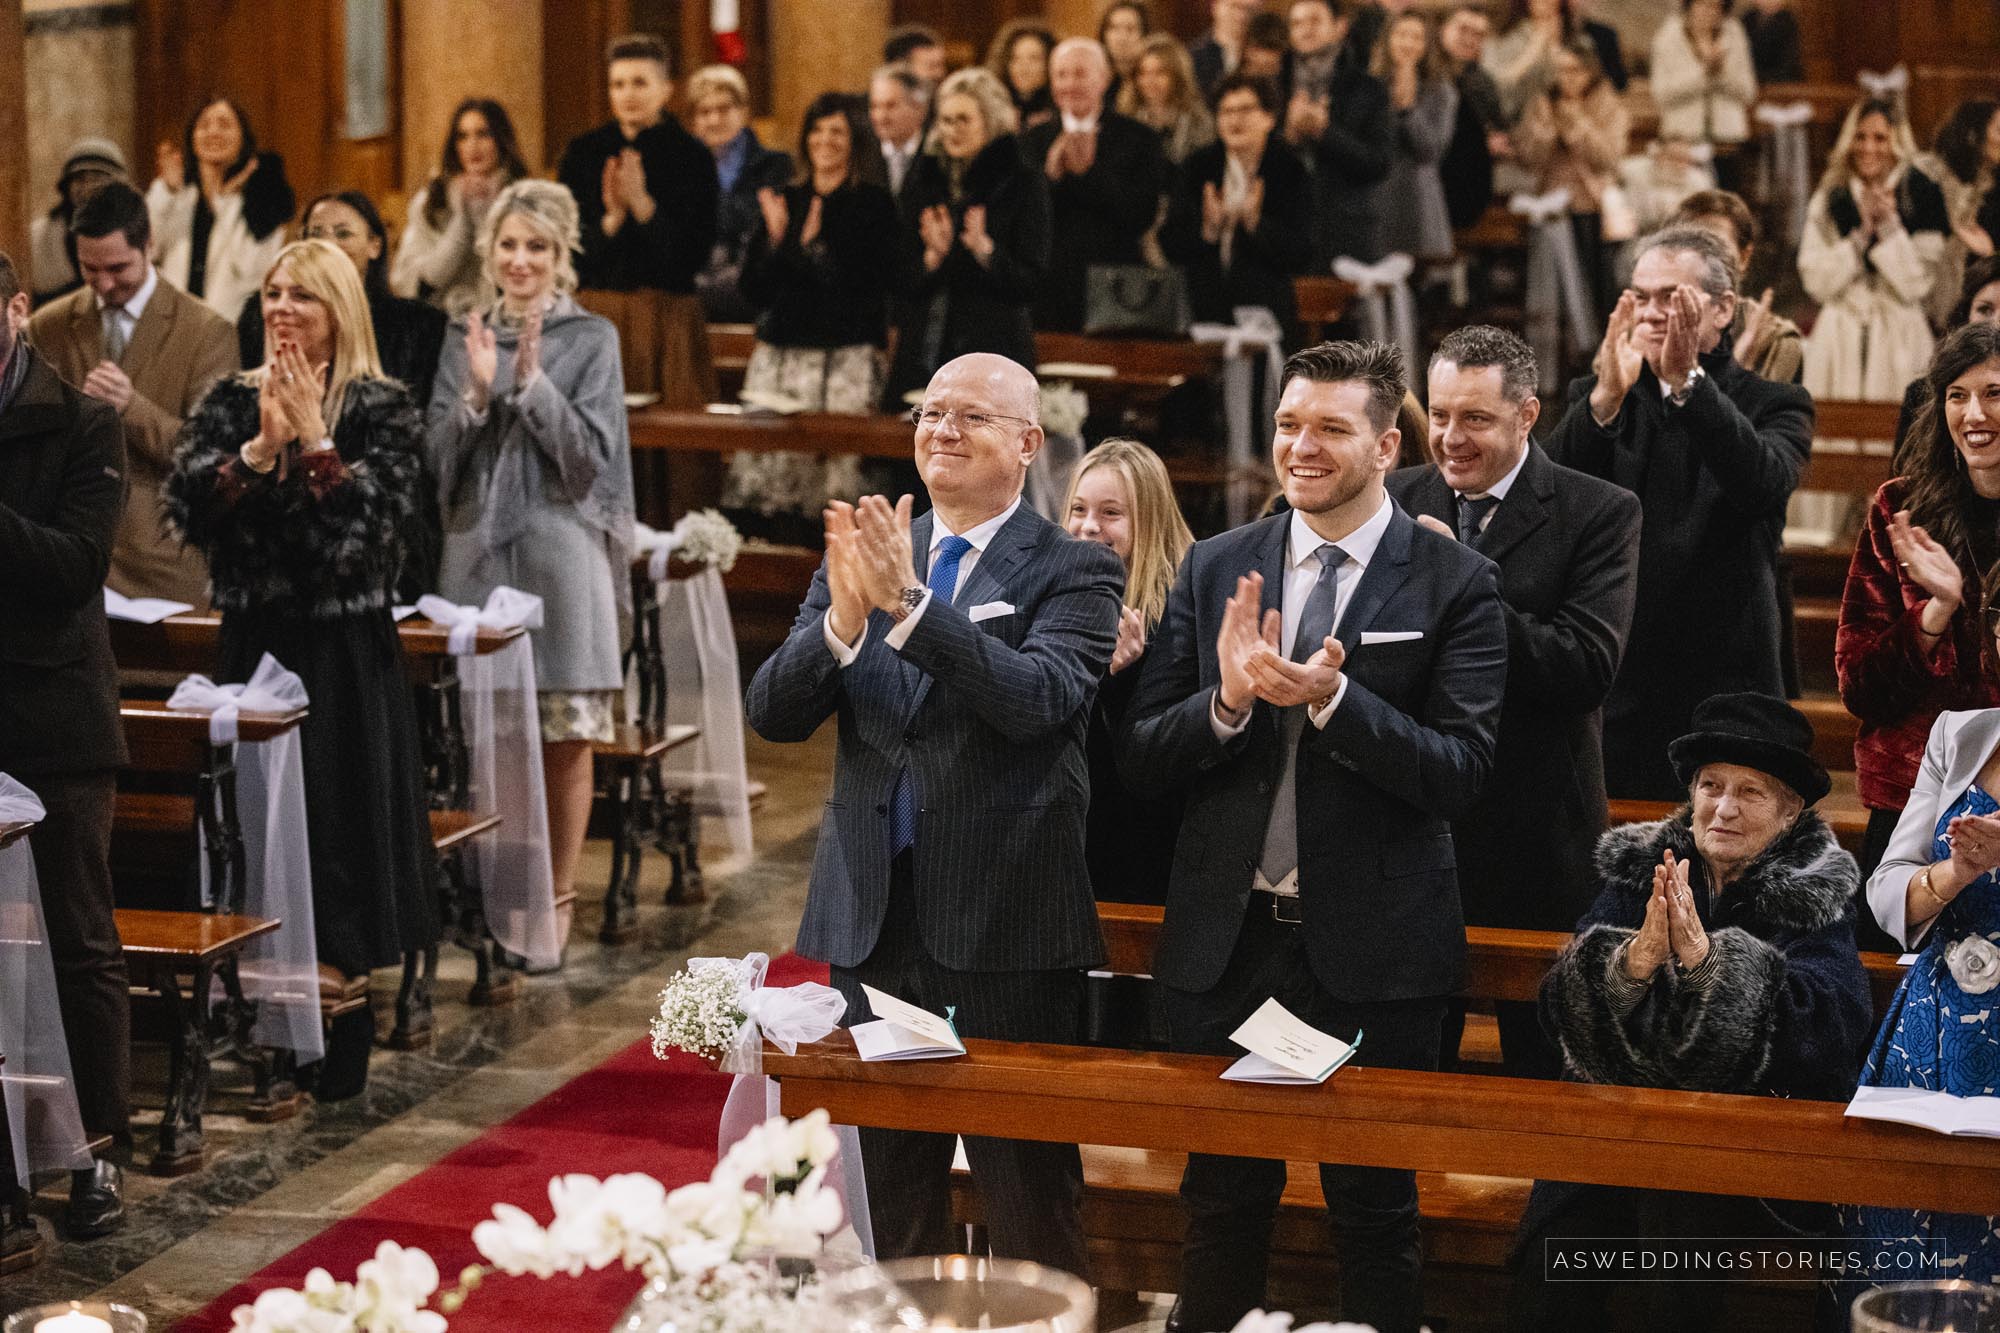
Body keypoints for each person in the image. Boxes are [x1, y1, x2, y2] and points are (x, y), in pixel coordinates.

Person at [1122, 340, 1507, 1333]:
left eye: (1329, 427)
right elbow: (1142, 759)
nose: (1300, 444)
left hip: (1377, 947)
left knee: (1375, 1210)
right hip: (1229, 938)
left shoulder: (1453, 582)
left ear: (1386, 443)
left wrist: (1336, 698)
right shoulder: (1216, 565)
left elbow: (1459, 770)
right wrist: (1227, 702)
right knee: (1219, 1202)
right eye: (1290, 423)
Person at [745, 351, 1125, 1275]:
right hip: (875, 917)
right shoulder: (867, 553)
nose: (943, 429)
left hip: (1008, 921)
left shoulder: (1074, 569)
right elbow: (772, 713)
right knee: (887, 1194)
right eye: (931, 411)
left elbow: (1038, 699)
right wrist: (839, 622)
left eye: (972, 417)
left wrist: (911, 607)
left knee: (1029, 1196)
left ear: (1029, 444)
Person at [164, 240, 436, 1099]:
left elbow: (372, 544)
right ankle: (263, 1028)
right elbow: (189, 513)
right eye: (274, 293)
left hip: (342, 660)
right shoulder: (228, 403)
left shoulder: (382, 410)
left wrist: (316, 444)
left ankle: (336, 1042)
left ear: (340, 311)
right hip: (254, 644)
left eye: (303, 296)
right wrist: (253, 454)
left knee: (334, 841)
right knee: (252, 833)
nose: (282, 308)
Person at [1510, 692, 1871, 1332]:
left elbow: (1832, 1027)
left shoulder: (1816, 893)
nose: (1723, 807)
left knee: (1673, 1238)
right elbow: (1556, 1011)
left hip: (1751, 1142)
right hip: (1622, 1128)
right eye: (1710, 785)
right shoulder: (1643, 871)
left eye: (1750, 792)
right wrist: (1633, 962)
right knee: (1553, 1246)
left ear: (1790, 814)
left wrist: (1713, 967)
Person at [1386, 326, 1641, 1078]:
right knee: (1408, 1070)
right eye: (1437, 415)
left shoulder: (1597, 510)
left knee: (1547, 1077)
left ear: (1527, 415)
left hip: (1539, 836)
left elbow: (1586, 666)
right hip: (1416, 828)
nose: (1448, 438)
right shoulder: (1396, 498)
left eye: (1475, 419)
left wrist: (1460, 579)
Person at [428, 180, 635, 930]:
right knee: (493, 736)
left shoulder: (592, 338)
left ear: (560, 255)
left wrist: (535, 387)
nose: (521, 260)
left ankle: (555, 894)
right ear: (488, 252)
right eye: (509, 245)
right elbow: (436, 465)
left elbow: (593, 467)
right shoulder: (462, 336)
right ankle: (496, 893)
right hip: (477, 553)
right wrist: (478, 397)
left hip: (562, 554)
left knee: (564, 730)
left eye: (537, 247)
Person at [1546, 225, 1813, 799]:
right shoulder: (1601, 396)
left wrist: (1687, 383)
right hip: (1619, 685)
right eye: (1640, 297)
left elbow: (1762, 486)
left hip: (1725, 684)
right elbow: (1545, 502)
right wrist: (1601, 404)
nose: (1650, 311)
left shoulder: (1773, 403)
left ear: (1721, 310)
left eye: (1671, 297)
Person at [1839, 402, 2000, 1298]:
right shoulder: (1961, 734)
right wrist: (1960, 869)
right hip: (1940, 1030)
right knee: (1921, 1256)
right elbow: (1888, 895)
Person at [0, 249, 131, 1240]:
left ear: (15, 310)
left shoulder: (83, 423)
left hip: (54, 714)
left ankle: (98, 1150)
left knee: (79, 938)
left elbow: (75, 566)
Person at [1838, 325, 2000, 920]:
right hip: (1913, 803)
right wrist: (1934, 615)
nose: (1974, 413)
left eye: (1994, 393)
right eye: (1957, 395)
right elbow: (1860, 688)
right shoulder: (1901, 511)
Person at [29, 181, 236, 608]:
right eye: (90, 269)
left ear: (150, 245)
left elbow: (214, 462)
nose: (103, 284)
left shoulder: (207, 333)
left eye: (118, 268)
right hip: (67, 561)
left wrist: (132, 408)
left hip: (163, 566)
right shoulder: (47, 326)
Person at [721, 94, 900, 544]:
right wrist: (780, 241)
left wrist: (811, 250)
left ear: (855, 141)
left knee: (835, 481)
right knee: (776, 476)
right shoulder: (788, 198)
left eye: (836, 131)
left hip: (842, 356)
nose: (824, 140)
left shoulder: (873, 204)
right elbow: (753, 290)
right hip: (783, 352)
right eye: (817, 130)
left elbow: (861, 287)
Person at [556, 33, 719, 414]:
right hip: (598, 312)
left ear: (666, 90)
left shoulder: (692, 157)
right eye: (618, 84)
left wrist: (644, 206)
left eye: (640, 83)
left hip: (669, 319)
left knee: (674, 444)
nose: (628, 94)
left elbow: (693, 256)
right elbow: (566, 252)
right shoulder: (583, 153)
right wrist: (611, 219)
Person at [1064, 438, 1191, 909]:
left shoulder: (1178, 611)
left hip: (1141, 848)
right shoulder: (1055, 599)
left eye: (1111, 513)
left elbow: (1160, 759)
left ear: (1148, 520)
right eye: (1078, 509)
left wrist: (1119, 682)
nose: (1089, 526)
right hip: (1067, 838)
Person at [883, 68, 1051, 408]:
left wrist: (985, 251)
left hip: (994, 343)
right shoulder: (925, 178)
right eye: (945, 120)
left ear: (990, 122)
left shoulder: (1021, 181)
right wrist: (932, 258)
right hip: (925, 344)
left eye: (963, 120)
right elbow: (897, 273)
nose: (952, 131)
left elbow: (1032, 279)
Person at [239, 192, 449, 421]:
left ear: (374, 246)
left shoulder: (417, 325)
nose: (327, 243)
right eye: (316, 233)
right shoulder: (263, 314)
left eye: (343, 233)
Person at [1800, 99, 1949, 408]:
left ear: (1896, 141)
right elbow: (1815, 280)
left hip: (1900, 330)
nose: (1869, 147)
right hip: (1840, 329)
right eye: (1860, 136)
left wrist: (1890, 228)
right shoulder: (1832, 194)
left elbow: (1917, 286)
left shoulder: (1922, 193)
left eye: (1880, 138)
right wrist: (1860, 236)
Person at [1021, 39, 1169, 334]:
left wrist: (1089, 174)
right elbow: (1023, 222)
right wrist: (1051, 180)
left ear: (1104, 79)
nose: (1070, 84)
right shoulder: (1030, 142)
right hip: (1048, 295)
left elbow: (1141, 215)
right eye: (1061, 75)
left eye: (1079, 74)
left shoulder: (1140, 139)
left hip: (1116, 293)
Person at [1162, 73, 1313, 347]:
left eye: (1245, 110)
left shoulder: (1289, 168)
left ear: (1269, 118)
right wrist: (1207, 231)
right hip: (1205, 313)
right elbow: (1169, 243)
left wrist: (1256, 225)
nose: (1234, 120)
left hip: (1269, 315)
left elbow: (1303, 250)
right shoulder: (1198, 167)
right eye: (1226, 111)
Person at [148, 97, 296, 321]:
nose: (214, 132)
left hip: (231, 329)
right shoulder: (177, 194)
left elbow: (252, 271)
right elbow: (148, 249)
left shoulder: (262, 198)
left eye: (225, 125)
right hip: (173, 326)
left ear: (243, 137)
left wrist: (224, 203)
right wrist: (167, 192)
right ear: (192, 136)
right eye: (204, 125)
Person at [1513, 39, 1628, 321]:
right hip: (1552, 203)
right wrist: (1548, 131)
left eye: (1576, 70)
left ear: (1590, 72)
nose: (1568, 78)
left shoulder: (1608, 104)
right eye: (1562, 70)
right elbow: (1528, 156)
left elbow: (1609, 157)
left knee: (1595, 286)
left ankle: (1594, 338)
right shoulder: (1542, 103)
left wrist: (1578, 125)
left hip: (1593, 203)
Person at [393, 98, 531, 317]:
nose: (472, 145)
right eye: (463, 136)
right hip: (442, 321)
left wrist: (489, 215)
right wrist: (462, 220)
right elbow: (422, 282)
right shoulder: (431, 201)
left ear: (500, 139)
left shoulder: (526, 198)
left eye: (483, 134)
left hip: (509, 321)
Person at [1283, 0, 1394, 267]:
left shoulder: (1368, 89)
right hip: (1285, 228)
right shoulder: (1274, 84)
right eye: (1297, 23)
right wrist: (1288, 135)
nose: (1305, 30)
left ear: (1339, 27)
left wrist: (1325, 133)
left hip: (1346, 231)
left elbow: (1379, 163)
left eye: (1314, 21)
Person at [687, 64, 795, 324]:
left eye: (724, 109)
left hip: (751, 278)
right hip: (698, 278)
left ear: (743, 111)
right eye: (705, 112)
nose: (714, 120)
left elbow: (760, 229)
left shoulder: (776, 165)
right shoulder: (682, 167)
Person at [1671, 186, 1804, 384]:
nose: (1704, 263)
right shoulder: (1652, 328)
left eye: (1718, 247)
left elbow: (1755, 414)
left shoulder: (1775, 341)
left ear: (1744, 257)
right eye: (1692, 246)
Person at [1894, 255, 2000, 465]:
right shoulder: (1923, 393)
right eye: (1984, 310)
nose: (1996, 322)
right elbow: (1905, 482)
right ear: (1965, 315)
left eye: (1995, 393)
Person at [1374, 12, 1460, 263]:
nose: (1408, 44)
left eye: (1416, 37)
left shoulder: (1441, 91)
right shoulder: (1371, 86)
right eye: (1401, 35)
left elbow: (1432, 150)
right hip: (1379, 199)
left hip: (1419, 201)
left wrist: (1409, 109)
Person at [1650, 0, 1758, 191]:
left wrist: (1721, 72)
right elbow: (1662, 94)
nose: (1710, 12)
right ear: (1690, 6)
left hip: (1727, 142)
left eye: (1716, 6)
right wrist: (1704, 72)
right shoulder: (1669, 36)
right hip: (1684, 144)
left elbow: (1748, 91)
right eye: (1704, 5)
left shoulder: (1733, 33)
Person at [1918, 98, 2000, 332]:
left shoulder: (1995, 189)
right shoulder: (1935, 184)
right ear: (1974, 136)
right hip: (1941, 305)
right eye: (1998, 130)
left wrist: (1990, 253)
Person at [29, 137, 127, 306]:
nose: (88, 187)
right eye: (80, 178)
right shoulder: (40, 236)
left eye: (97, 177)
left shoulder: (135, 230)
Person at [1439, 5, 1508, 230]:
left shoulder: (1483, 81)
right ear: (1443, 29)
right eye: (1463, 30)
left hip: (1470, 190)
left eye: (1478, 34)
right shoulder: (1428, 74)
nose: (1469, 39)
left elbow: (1498, 127)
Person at [1118, 34, 1217, 168]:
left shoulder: (1199, 120)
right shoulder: (1125, 119)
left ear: (1177, 75)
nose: (1150, 81)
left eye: (1160, 73)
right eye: (1143, 73)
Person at [1482, 0, 1573, 123]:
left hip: (1551, 121)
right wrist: (1536, 46)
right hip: (1510, 118)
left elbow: (1561, 86)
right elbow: (1497, 83)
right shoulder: (1507, 32)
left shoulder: (1567, 34)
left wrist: (1554, 46)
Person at [869, 64, 932, 210]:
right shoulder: (862, 155)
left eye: (890, 106)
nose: (881, 116)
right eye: (875, 106)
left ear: (919, 108)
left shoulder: (936, 153)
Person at [985, 20, 1057, 135]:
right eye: (1015, 58)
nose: (1023, 68)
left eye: (1034, 59)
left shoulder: (1060, 112)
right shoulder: (993, 109)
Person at [1190, 0, 1266, 98]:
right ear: (1215, 6)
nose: (1241, 16)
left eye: (1250, 10)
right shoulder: (1192, 58)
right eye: (1234, 6)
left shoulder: (1272, 56)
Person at [1099, 1, 1152, 106]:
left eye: (1130, 29)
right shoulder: (1097, 80)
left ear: (1145, 35)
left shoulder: (1150, 80)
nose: (1121, 38)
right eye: (1114, 28)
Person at [1739, 0, 1802, 84]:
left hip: (1783, 81)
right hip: (1751, 78)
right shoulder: (1747, 19)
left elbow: (1789, 61)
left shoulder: (1788, 21)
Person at [883, 24, 947, 94]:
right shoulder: (870, 103)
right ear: (900, 68)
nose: (940, 73)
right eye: (932, 66)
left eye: (941, 65)